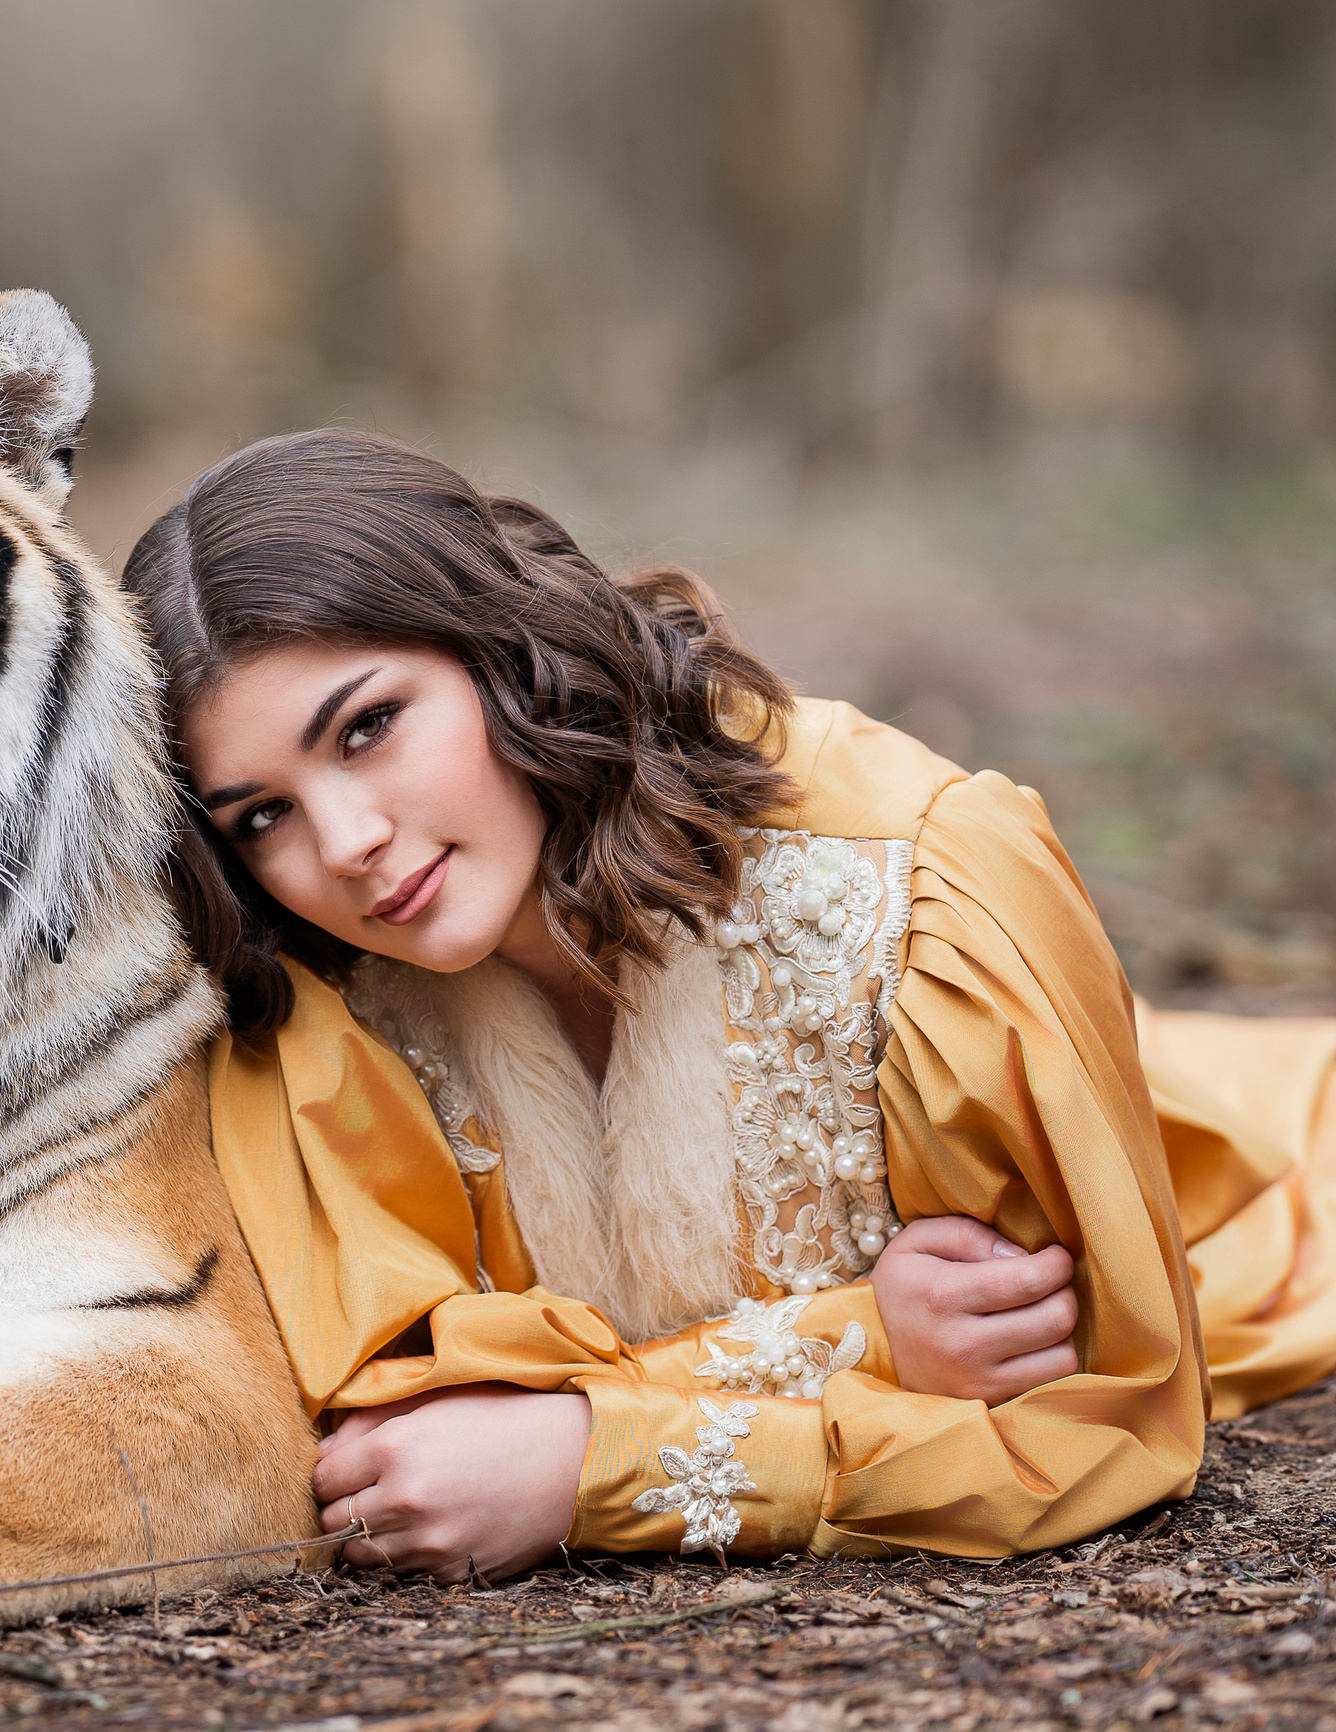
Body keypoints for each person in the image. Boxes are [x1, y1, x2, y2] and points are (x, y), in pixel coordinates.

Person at [121, 429, 1336, 1578]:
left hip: (1256, 1202)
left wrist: (595, 1465)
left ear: (500, 648)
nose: (345, 843)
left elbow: (1102, 1416)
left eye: (370, 725)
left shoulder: (927, 891)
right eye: (259, 815)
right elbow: (399, 1426)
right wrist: (866, 1341)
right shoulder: (305, 1008)